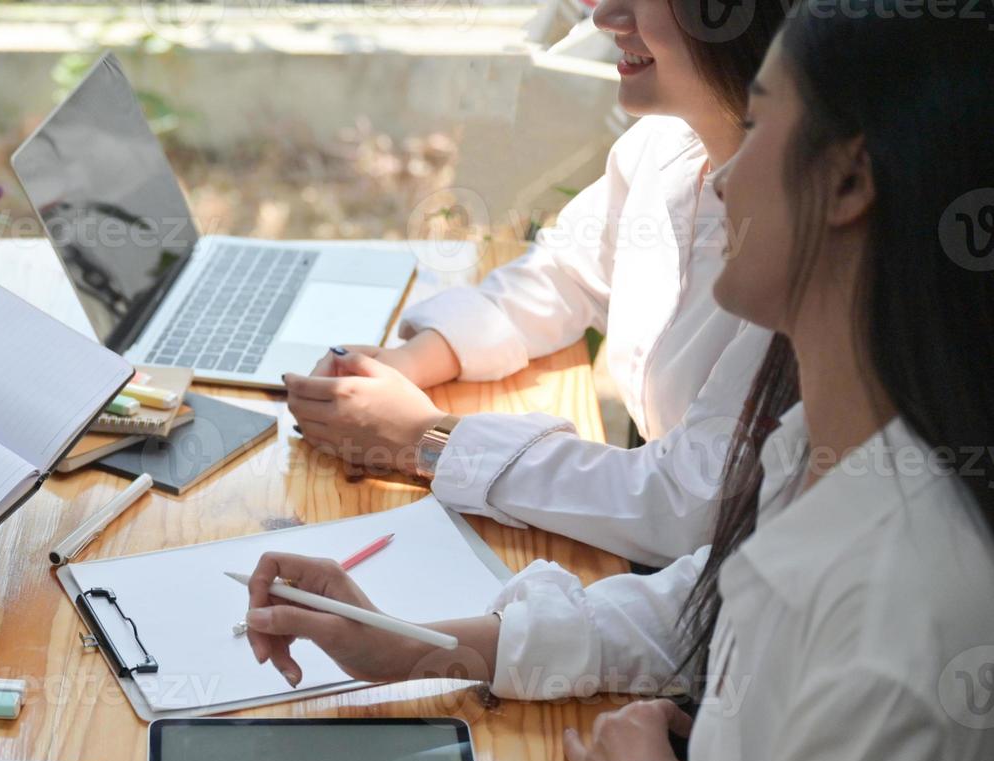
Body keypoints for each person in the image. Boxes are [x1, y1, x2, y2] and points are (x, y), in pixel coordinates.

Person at [242, 5, 994, 761]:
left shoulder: (906, 627)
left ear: (849, 179)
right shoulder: (828, 444)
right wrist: (423, 641)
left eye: (758, 128)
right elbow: (702, 595)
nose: (720, 177)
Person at [285, 0, 789, 567]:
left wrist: (425, 440)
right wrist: (416, 361)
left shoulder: (810, 245)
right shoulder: (666, 145)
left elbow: (688, 503)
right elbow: (569, 273)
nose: (605, 17)